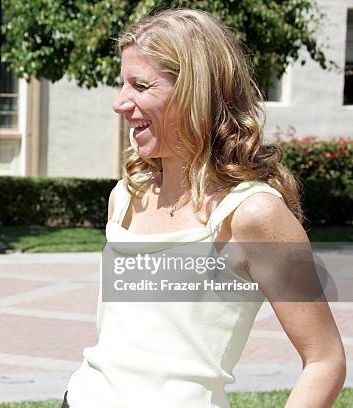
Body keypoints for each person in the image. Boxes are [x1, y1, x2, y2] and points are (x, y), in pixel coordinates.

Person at [64, 9, 346, 408]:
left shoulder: (253, 213)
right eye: (122, 84)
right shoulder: (125, 196)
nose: (120, 102)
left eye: (140, 85)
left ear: (196, 92)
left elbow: (325, 359)